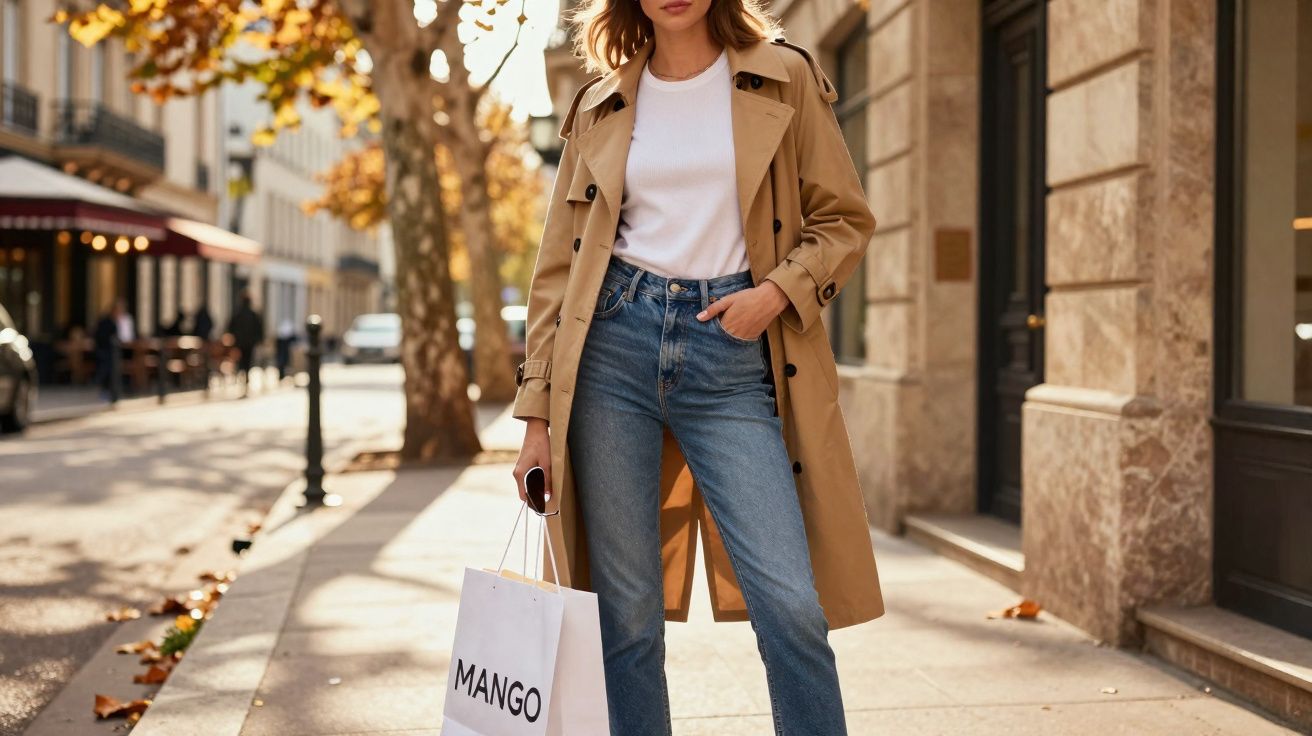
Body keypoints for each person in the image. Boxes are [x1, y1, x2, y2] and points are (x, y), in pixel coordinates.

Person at [510, 2, 883, 734]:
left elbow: (843, 217)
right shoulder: (601, 100)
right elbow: (559, 268)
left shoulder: (784, 76)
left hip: (735, 355)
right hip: (611, 349)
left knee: (792, 608)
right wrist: (535, 420)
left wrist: (775, 293)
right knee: (628, 618)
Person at [225, 291, 264, 397]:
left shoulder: (238, 314)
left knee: (242, 362)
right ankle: (244, 379)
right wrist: (258, 340)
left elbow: (230, 327)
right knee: (247, 362)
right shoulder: (252, 314)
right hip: (248, 343)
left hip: (240, 343)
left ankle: (243, 379)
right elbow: (259, 329)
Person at [93, 299, 127, 402]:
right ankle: (105, 389)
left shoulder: (117, 322)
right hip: (104, 351)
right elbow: (100, 338)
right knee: (108, 366)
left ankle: (116, 390)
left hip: (114, 352)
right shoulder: (105, 322)